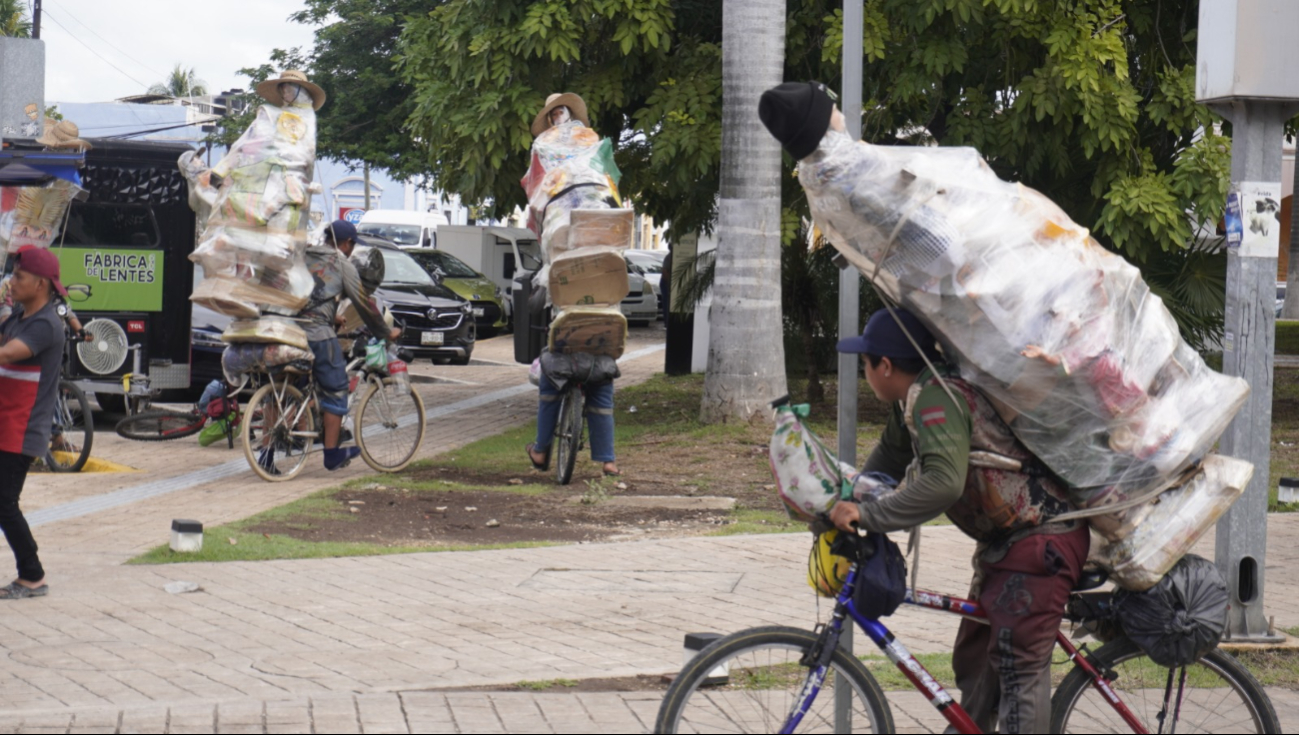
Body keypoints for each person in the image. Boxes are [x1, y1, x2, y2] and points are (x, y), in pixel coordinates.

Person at [826, 308, 1088, 734]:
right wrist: (837, 506)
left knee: (1018, 670)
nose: (864, 370)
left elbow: (942, 485)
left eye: (865, 362)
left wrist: (870, 516)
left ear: (886, 366)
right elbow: (883, 470)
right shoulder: (910, 401)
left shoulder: (936, 400)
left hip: (1042, 541)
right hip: (1008, 544)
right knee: (977, 662)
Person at [292, 219, 400, 472]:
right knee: (337, 387)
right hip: (317, 333)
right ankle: (331, 455)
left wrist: (333, 316)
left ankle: (266, 455)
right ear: (347, 243)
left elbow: (310, 295)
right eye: (352, 245)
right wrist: (385, 332)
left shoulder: (303, 255)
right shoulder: (342, 263)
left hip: (288, 329)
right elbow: (364, 304)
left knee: (288, 385)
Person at [0, 247, 69, 599]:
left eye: (19, 277)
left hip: (22, 429)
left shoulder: (45, 325)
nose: (12, 282)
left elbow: (8, 353)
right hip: (5, 422)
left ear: (40, 284)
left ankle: (33, 575)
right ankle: (30, 573)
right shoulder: (19, 317)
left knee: (4, 504)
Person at [526, 360, 619, 477]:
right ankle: (608, 462)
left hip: (560, 365)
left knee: (549, 396)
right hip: (598, 367)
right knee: (602, 407)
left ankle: (540, 452)